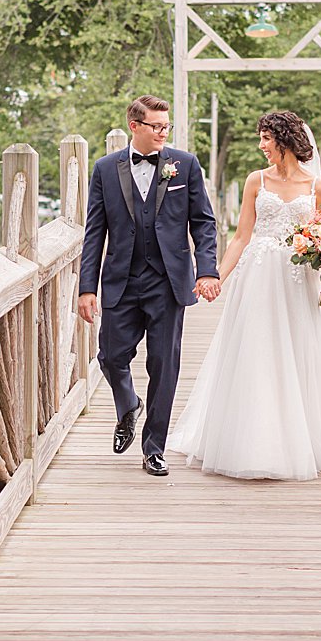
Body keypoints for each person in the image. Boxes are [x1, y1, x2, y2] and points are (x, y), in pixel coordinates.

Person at [169, 110, 321, 480]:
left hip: (300, 278)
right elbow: (241, 236)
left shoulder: (317, 186)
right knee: (258, 351)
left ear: (283, 140)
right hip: (259, 277)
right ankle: (254, 438)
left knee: (305, 349)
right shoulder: (256, 181)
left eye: (266, 138)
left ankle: (308, 437)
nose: (261, 146)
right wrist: (215, 276)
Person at [77, 95, 221, 477]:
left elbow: (203, 223)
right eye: (156, 126)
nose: (162, 133)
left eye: (166, 126)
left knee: (164, 364)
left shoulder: (185, 165)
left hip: (169, 281)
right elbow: (95, 232)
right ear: (134, 126)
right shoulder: (106, 169)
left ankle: (154, 448)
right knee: (109, 355)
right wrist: (86, 287)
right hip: (121, 280)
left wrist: (207, 270)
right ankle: (128, 405)